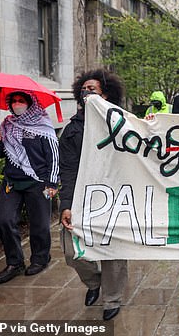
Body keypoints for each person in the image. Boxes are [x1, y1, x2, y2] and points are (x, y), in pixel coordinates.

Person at [59, 69, 128, 321]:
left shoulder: (121, 123)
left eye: (93, 89)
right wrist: (66, 204)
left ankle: (112, 298)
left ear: (106, 95)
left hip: (114, 195)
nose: (87, 93)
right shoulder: (71, 130)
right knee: (71, 251)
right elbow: (66, 169)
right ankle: (94, 282)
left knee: (113, 249)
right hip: (80, 197)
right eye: (84, 89)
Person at [0, 91, 59, 284]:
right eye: (13, 101)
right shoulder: (7, 124)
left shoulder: (43, 125)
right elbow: (1, 154)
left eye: (21, 101)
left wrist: (52, 183)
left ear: (30, 103)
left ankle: (40, 258)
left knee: (40, 224)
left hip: (38, 182)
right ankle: (14, 263)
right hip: (12, 182)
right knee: (4, 221)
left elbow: (53, 156)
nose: (17, 104)